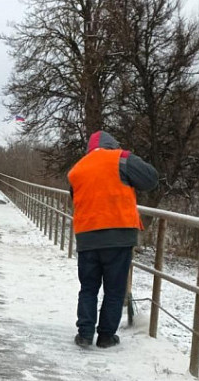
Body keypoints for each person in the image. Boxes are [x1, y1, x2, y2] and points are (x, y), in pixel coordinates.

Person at [67, 130, 158, 349]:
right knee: (114, 289)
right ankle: (106, 336)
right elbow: (151, 179)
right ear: (112, 145)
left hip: (87, 236)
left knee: (88, 287)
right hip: (119, 235)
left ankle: (85, 334)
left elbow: (74, 196)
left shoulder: (77, 169)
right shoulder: (122, 158)